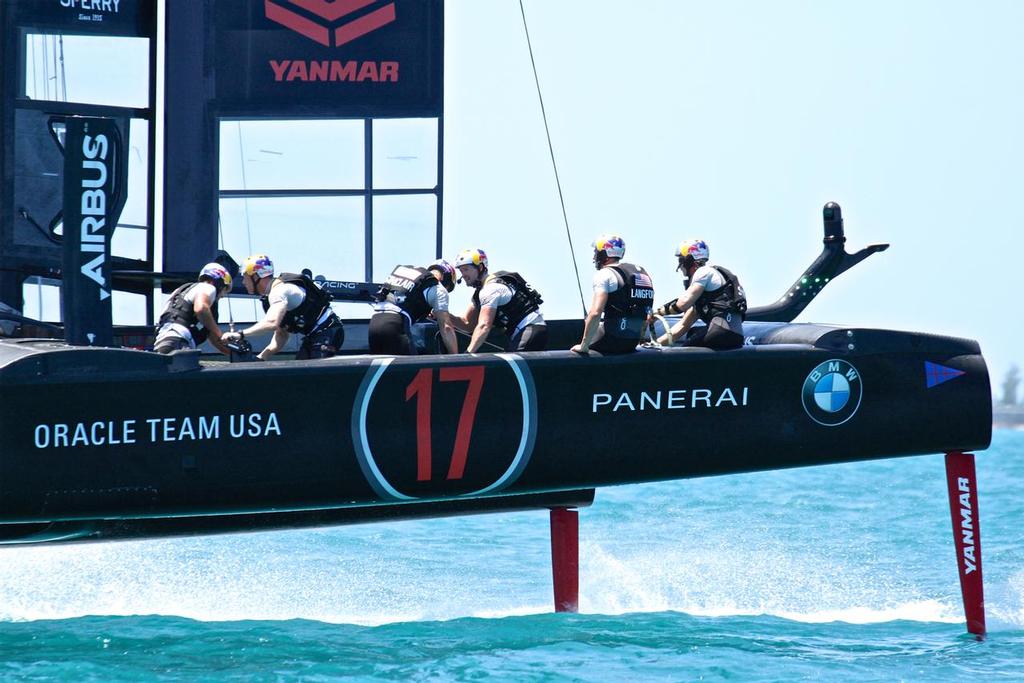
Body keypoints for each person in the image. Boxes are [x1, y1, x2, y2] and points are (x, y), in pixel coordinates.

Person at [221, 254, 344, 360]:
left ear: (256, 276)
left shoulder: (278, 292)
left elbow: (272, 323)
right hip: (318, 334)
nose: (243, 282)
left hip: (327, 331)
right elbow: (282, 334)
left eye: (245, 277)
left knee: (311, 377)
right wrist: (261, 358)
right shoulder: (272, 295)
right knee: (301, 375)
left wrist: (240, 334)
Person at [652, 239, 747, 350]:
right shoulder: (709, 293)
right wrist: (655, 343)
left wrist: (658, 313)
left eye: (681, 261)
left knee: (685, 351)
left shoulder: (703, 272)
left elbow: (682, 304)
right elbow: (683, 326)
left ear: (688, 260)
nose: (680, 267)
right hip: (735, 336)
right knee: (692, 332)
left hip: (720, 331)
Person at [571, 234, 654, 355]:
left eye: (596, 253)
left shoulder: (604, 274)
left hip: (611, 339)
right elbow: (647, 313)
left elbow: (595, 312)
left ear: (604, 254)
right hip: (632, 342)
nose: (594, 258)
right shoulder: (641, 274)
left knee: (579, 335)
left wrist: (584, 345)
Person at [453, 248, 547, 353]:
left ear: (480, 267)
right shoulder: (480, 294)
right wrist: (444, 316)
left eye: (466, 269)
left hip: (530, 329)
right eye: (461, 270)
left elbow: (484, 325)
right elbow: (468, 325)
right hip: (528, 331)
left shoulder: (490, 289)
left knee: (509, 368)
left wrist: (468, 353)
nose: (463, 274)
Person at [369, 260, 459, 355]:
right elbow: (446, 328)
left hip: (373, 325)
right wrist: (456, 362)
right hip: (394, 326)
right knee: (415, 369)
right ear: (446, 279)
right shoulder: (438, 288)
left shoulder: (408, 274)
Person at [154, 262, 233, 355]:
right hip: (179, 342)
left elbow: (214, 337)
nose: (223, 296)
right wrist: (220, 333)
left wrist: (233, 353)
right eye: (225, 290)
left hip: (164, 342)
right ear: (219, 283)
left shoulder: (181, 292)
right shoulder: (208, 287)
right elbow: (201, 309)